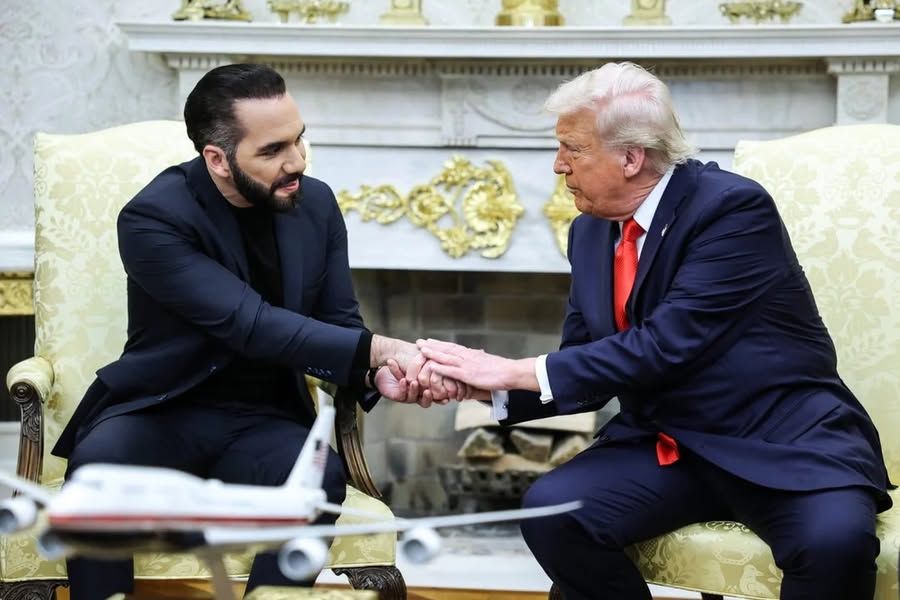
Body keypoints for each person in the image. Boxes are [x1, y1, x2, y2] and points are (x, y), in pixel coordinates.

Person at [416, 62, 893, 600]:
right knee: (556, 514)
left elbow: (666, 345)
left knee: (835, 543)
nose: (558, 166)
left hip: (780, 441)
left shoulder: (731, 209)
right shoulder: (590, 232)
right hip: (671, 448)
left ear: (630, 157)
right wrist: (485, 386)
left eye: (572, 149)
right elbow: (589, 364)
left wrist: (512, 369)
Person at [51, 63, 457, 600]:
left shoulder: (315, 204)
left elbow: (337, 321)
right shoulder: (153, 217)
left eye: (298, 139)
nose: (297, 161)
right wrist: (382, 349)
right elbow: (251, 325)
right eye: (272, 151)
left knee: (319, 477)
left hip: (265, 418)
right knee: (96, 477)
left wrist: (373, 375)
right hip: (159, 410)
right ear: (217, 159)